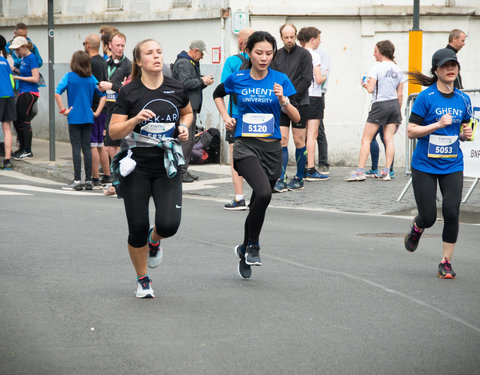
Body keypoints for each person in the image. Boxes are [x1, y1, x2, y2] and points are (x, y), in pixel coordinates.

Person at [109, 39, 193, 298]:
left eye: (159, 52)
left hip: (166, 164)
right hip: (137, 166)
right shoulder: (130, 92)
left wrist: (184, 127)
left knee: (169, 225)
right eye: (150, 53)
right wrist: (134, 119)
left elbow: (187, 113)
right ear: (139, 61)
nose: (156, 56)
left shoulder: (175, 87)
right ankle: (143, 279)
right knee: (136, 227)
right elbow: (113, 131)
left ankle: (154, 239)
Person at [213, 31, 300, 279]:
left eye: (269, 53)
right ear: (249, 53)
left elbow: (297, 118)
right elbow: (217, 94)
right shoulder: (237, 78)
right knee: (262, 192)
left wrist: (283, 100)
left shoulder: (280, 79)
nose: (264, 58)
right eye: (259, 53)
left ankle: (244, 248)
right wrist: (226, 118)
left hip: (272, 148)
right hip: (245, 146)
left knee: (259, 203)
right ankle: (254, 246)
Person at [404, 48, 472, 279]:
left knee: (452, 212)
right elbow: (411, 131)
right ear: (436, 70)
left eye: (453, 65)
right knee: (430, 217)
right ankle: (417, 227)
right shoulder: (426, 97)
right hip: (424, 165)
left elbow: (463, 131)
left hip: (452, 164)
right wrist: (436, 125)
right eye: (445, 66)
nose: (450, 69)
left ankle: (445, 262)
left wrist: (466, 133)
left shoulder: (464, 99)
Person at [345, 40, 403, 182]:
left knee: (366, 139)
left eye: (375, 51)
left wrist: (365, 84)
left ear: (382, 52)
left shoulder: (376, 68)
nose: (373, 54)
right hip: (394, 105)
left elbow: (371, 89)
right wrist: (398, 114)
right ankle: (387, 171)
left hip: (380, 105)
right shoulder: (398, 69)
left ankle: (360, 171)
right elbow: (400, 94)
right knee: (389, 139)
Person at [55, 51, 106, 191]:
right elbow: (103, 95)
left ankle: (77, 179)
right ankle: (89, 180)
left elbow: (57, 92)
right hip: (88, 117)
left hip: (74, 117)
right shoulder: (91, 78)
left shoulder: (69, 76)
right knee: (87, 148)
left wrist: (63, 110)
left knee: (76, 148)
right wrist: (96, 112)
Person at [271, 24, 312, 192]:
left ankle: (300, 177)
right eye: (286, 37)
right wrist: (280, 98)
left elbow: (306, 78)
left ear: (295, 36)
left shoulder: (304, 54)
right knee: (282, 140)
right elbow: (272, 76)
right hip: (280, 103)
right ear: (281, 37)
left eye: (292, 37)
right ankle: (281, 177)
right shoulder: (276, 55)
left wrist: (291, 96)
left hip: (300, 102)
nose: (289, 40)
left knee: (299, 140)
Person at [172, 39, 214, 183]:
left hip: (190, 108)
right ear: (195, 51)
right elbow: (185, 84)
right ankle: (181, 172)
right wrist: (202, 81)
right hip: (186, 109)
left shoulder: (190, 63)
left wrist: (203, 82)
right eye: (201, 54)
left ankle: (184, 170)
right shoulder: (184, 63)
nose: (202, 57)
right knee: (186, 140)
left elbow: (192, 84)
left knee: (189, 140)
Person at [221, 27, 254, 210]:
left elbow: (225, 87)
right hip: (259, 116)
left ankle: (239, 197)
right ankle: (259, 194)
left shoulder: (232, 61)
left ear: (240, 42)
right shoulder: (263, 61)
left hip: (235, 117)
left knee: (236, 158)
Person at [97, 31, 132, 195]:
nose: (120, 48)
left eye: (122, 45)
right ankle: (119, 180)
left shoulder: (128, 65)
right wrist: (102, 87)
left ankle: (120, 181)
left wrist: (112, 86)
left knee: (117, 147)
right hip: (110, 108)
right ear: (109, 46)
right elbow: (106, 85)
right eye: (117, 45)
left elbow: (130, 90)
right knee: (110, 147)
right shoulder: (106, 64)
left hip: (124, 110)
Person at [297, 27, 329, 181]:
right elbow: (317, 79)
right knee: (312, 134)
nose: (319, 42)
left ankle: (301, 167)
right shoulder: (314, 55)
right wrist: (324, 74)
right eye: (318, 39)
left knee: (300, 134)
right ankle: (310, 168)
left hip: (300, 97)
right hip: (314, 96)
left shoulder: (298, 53)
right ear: (312, 40)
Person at [84, 33, 112, 188]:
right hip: (104, 106)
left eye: (84, 43)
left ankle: (95, 177)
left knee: (92, 144)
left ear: (88, 44)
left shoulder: (89, 62)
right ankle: (107, 175)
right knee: (101, 144)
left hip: (93, 106)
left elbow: (90, 85)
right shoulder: (103, 61)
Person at [9, 36, 39, 160]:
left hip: (30, 93)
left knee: (25, 120)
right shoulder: (23, 58)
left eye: (17, 49)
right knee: (16, 120)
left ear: (24, 47)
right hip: (23, 92)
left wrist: (18, 78)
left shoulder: (32, 58)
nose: (16, 52)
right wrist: (16, 70)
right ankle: (22, 148)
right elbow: (25, 72)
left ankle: (28, 150)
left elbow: (35, 78)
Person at [314, 39, 331, 176]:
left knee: (319, 130)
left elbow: (323, 75)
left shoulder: (322, 54)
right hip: (306, 95)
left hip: (318, 94)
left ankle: (323, 162)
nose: (319, 41)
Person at [0, 35, 16, 170]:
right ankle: (7, 160)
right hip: (8, 96)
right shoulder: (5, 62)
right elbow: (12, 82)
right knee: (7, 129)